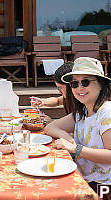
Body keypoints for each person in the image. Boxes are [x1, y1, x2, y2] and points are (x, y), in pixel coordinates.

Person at [44, 57, 111, 193]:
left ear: (101, 84)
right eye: (74, 84)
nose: (79, 88)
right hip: (83, 178)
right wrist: (66, 138)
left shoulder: (106, 112)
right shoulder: (83, 112)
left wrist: (76, 148)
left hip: (103, 186)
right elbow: (50, 127)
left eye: (85, 82)